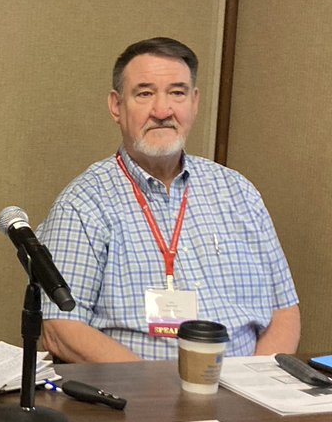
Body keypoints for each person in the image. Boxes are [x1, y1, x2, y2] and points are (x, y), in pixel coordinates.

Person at [37, 37, 300, 362]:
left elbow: (284, 311)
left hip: (246, 394)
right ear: (117, 107)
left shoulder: (238, 192)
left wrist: (256, 389)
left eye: (177, 93)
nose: (162, 111)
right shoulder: (84, 203)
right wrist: (160, 395)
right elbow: (61, 330)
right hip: (139, 400)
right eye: (145, 94)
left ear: (194, 102)